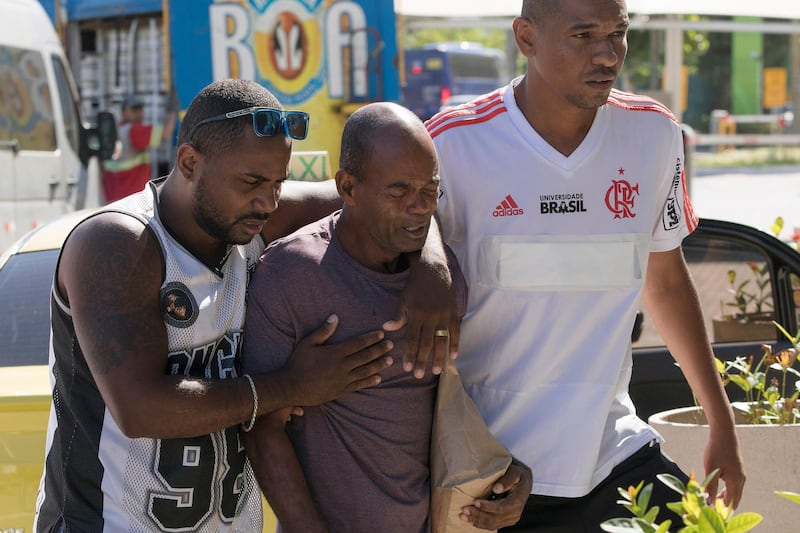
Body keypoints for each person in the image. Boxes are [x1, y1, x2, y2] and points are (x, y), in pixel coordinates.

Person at [33, 79, 456, 532]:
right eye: (252, 181)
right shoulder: (119, 241)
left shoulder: (252, 218)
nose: (269, 200)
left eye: (279, 183)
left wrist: (433, 270)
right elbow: (139, 409)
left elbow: (393, 203)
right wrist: (292, 386)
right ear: (190, 161)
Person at [425, 0, 746, 531]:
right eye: (584, 35)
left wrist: (722, 422)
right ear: (525, 37)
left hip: (613, 458)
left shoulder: (655, 136)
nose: (608, 54)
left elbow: (664, 282)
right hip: (488, 478)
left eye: (618, 33)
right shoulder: (451, 144)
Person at [239, 102, 469, 532]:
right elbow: (261, 427)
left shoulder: (439, 283)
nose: (419, 208)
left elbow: (462, 399)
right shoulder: (293, 273)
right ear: (347, 186)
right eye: (398, 192)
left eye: (431, 190)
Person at [101, 93, 176, 202]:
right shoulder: (134, 131)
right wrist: (172, 111)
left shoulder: (115, 131)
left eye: (140, 109)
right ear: (123, 112)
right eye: (134, 110)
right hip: (131, 199)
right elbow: (167, 131)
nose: (139, 113)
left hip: (113, 199)